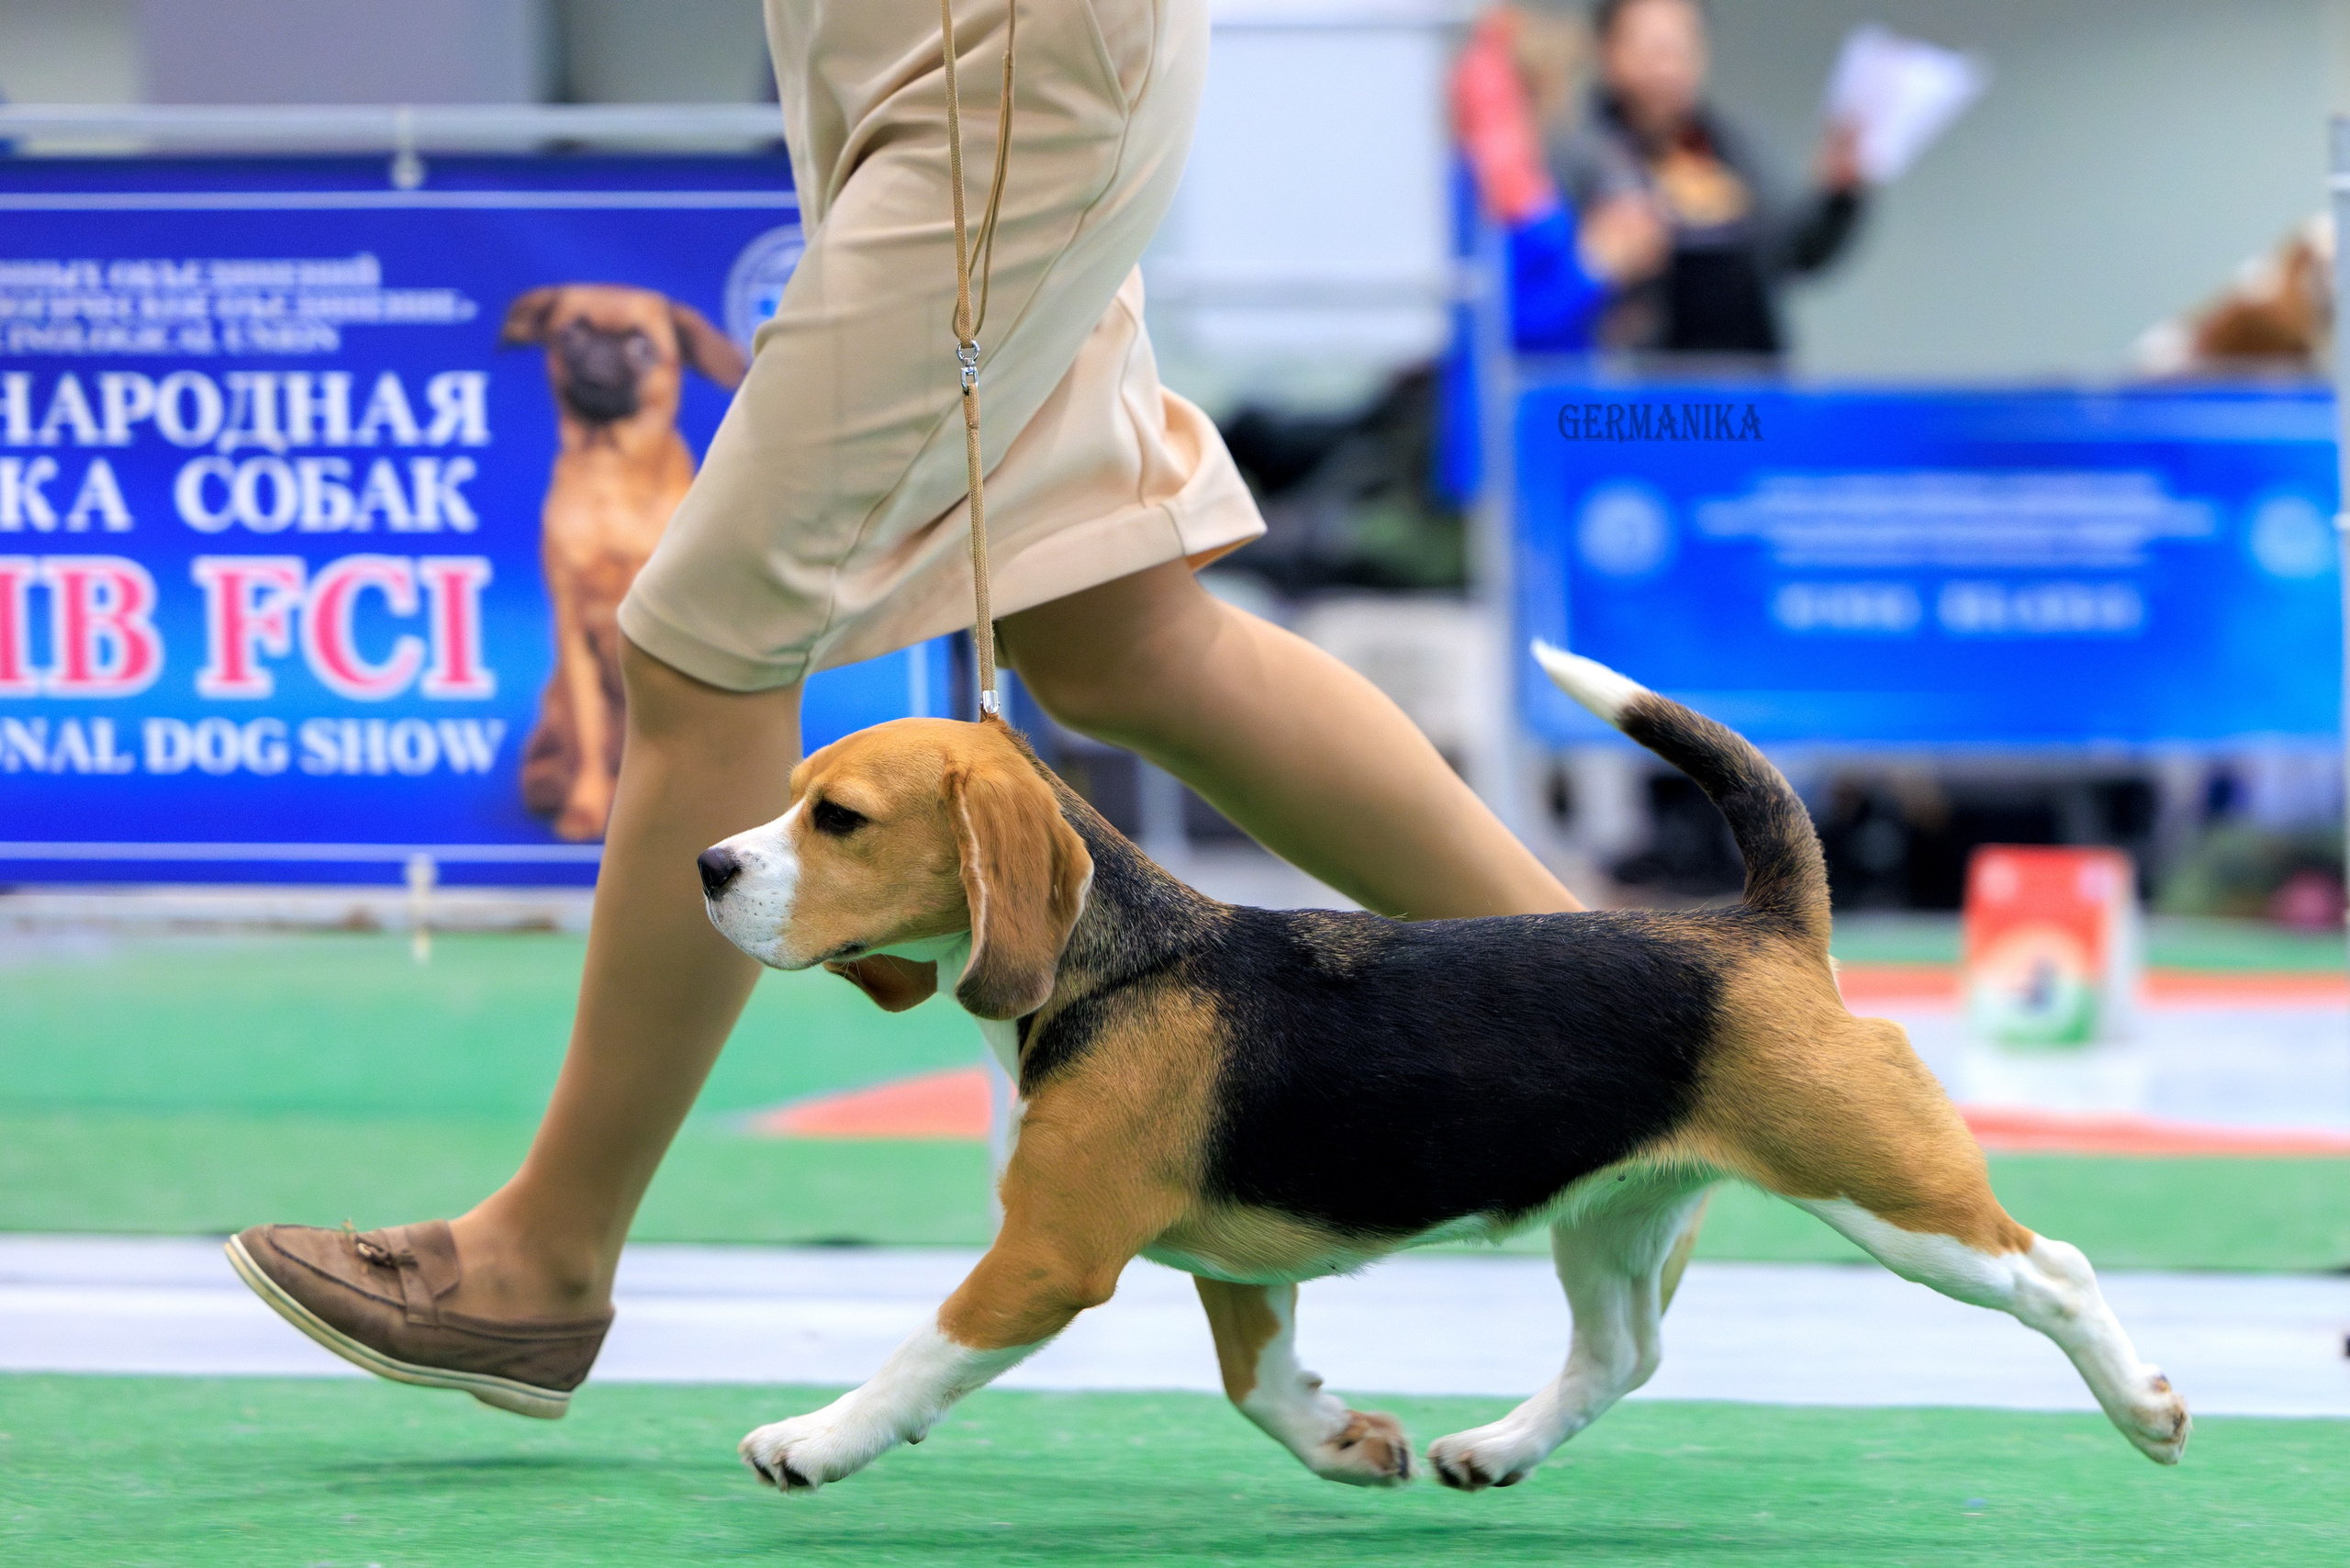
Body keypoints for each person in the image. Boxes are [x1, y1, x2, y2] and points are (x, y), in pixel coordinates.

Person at [226, 0, 1590, 1416]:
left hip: (997, 75)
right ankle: (1648, 1020)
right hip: (920, 70)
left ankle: (539, 1260)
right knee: (1120, 629)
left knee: (706, 646)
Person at [1554, 0, 1865, 358]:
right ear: (1608, 52)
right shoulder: (1576, 156)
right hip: (1636, 392)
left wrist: (1838, 197)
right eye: (1653, 48)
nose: (1668, 68)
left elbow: (1790, 250)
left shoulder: (1730, 147)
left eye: (1682, 47)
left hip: (1749, 383)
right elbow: (1543, 286)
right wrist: (1601, 260)